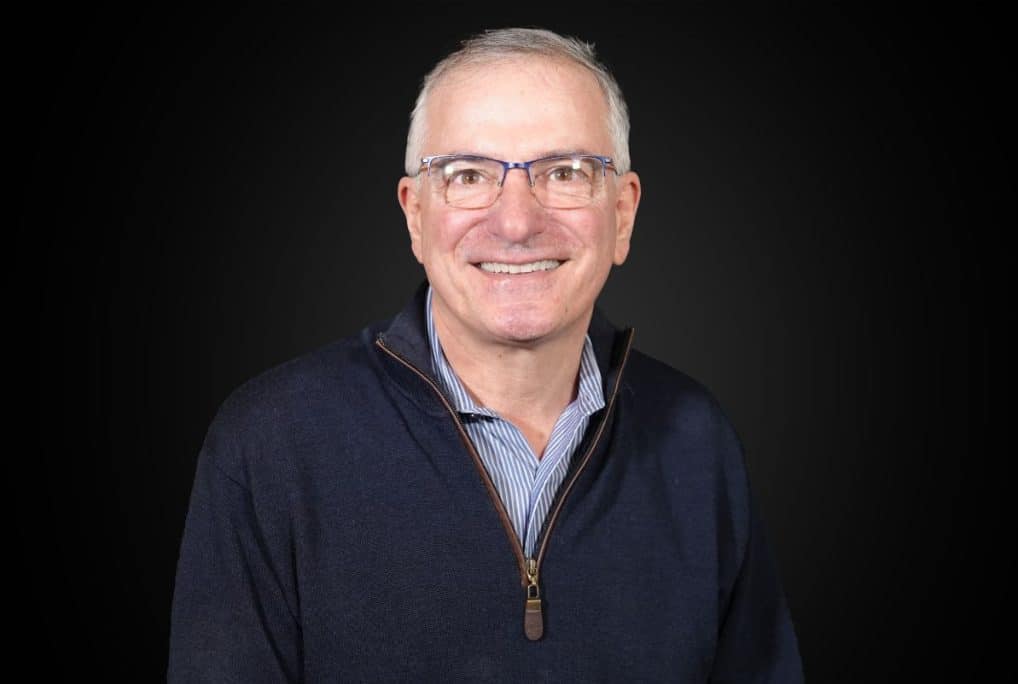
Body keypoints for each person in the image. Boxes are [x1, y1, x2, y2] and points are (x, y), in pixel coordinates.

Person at [168, 27, 803, 682]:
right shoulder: (268, 446)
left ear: (623, 213)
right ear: (416, 215)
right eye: (468, 175)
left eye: (564, 173)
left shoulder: (697, 440)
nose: (516, 222)